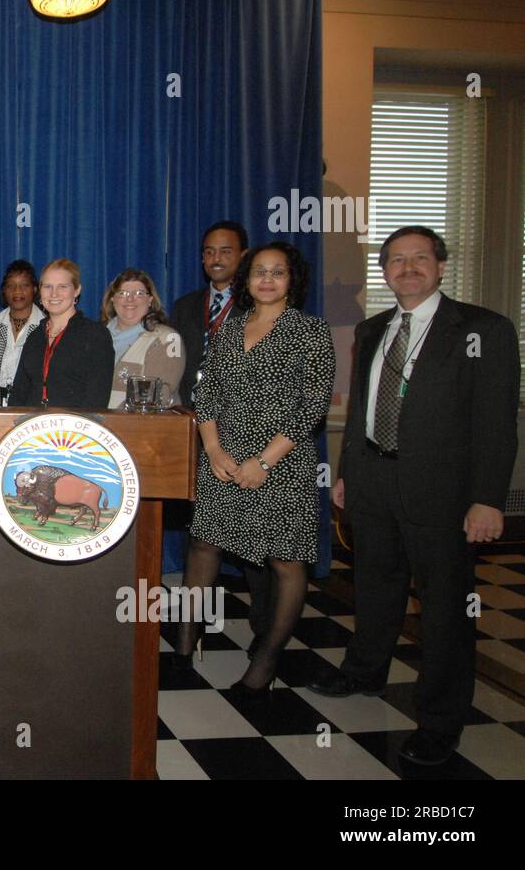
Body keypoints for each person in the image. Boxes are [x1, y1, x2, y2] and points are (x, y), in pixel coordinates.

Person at [311, 226, 519, 766]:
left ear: (441, 266)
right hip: (375, 481)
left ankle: (440, 721)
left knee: (445, 608)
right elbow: (362, 407)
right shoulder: (374, 328)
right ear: (385, 272)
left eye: (419, 258)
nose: (408, 268)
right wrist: (348, 472)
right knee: (375, 586)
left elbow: (497, 423)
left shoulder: (482, 329)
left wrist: (488, 499)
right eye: (396, 260)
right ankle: (363, 673)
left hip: (445, 494)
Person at [174, 242, 334, 702]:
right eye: (258, 272)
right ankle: (185, 642)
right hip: (223, 457)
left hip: (280, 464)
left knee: (286, 559)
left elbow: (312, 407)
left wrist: (264, 461)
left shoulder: (311, 331)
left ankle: (265, 661)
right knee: (203, 544)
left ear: (292, 280)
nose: (266, 279)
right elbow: (206, 393)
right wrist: (213, 448)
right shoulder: (229, 328)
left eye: (277, 272)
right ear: (246, 280)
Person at [9, 258, 114, 410]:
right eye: (48, 286)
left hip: (72, 430)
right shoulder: (35, 336)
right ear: (39, 291)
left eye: (62, 287)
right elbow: (19, 393)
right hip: (32, 428)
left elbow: (97, 400)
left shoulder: (96, 335)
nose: (54, 294)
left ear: (77, 290)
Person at [171, 222, 248, 408]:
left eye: (226, 252)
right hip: (189, 415)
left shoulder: (255, 307)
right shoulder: (184, 306)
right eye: (209, 252)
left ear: (244, 256)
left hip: (238, 418)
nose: (216, 259)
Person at [99, 268, 185, 409]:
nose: (130, 299)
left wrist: (112, 421)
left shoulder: (168, 339)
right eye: (123, 293)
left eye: (139, 293)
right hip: (95, 426)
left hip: (142, 426)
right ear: (112, 299)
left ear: (150, 299)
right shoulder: (95, 336)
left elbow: (160, 393)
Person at [0, 259, 45, 405]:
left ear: (35, 289)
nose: (17, 291)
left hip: (32, 404)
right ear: (4, 290)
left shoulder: (47, 328)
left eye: (24, 285)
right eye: (11, 285)